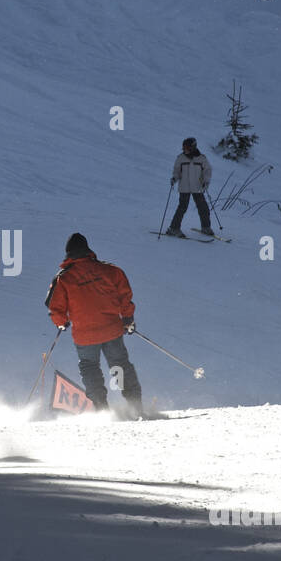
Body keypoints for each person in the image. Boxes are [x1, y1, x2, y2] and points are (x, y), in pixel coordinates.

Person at [45, 233, 143, 417]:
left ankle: (101, 409)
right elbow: (124, 294)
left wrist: (61, 323)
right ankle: (135, 406)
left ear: (69, 253)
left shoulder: (64, 279)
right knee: (120, 365)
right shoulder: (110, 270)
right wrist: (128, 318)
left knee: (90, 367)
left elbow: (55, 307)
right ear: (87, 249)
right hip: (111, 329)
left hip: (85, 335)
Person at [165, 137, 215, 238]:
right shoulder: (181, 158)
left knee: (203, 208)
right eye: (184, 147)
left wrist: (206, 182)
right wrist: (174, 178)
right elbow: (176, 171)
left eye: (187, 147)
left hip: (198, 187)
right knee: (182, 208)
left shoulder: (201, 158)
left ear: (193, 147)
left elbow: (207, 171)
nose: (184, 149)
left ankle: (206, 227)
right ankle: (174, 228)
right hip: (184, 187)